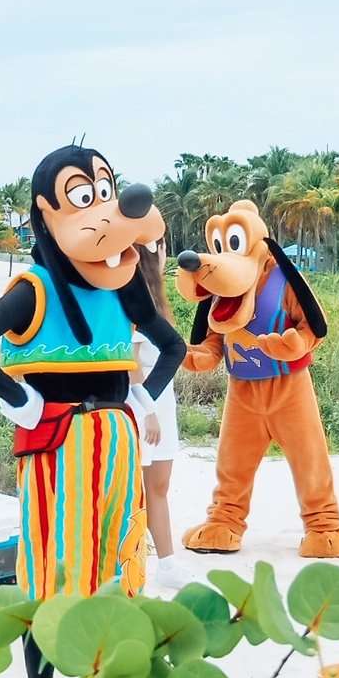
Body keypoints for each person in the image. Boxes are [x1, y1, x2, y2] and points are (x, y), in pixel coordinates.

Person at [0, 144, 183, 678]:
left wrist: (143, 398)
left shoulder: (122, 286)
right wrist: (18, 398)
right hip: (59, 443)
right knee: (53, 571)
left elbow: (172, 346)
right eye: (83, 195)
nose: (101, 206)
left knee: (120, 563)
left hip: (118, 440)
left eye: (104, 191)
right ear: (47, 212)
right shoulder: (36, 288)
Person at [131, 239, 192, 592]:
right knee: (136, 489)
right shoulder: (132, 301)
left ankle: (166, 562)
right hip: (143, 405)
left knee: (159, 485)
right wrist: (148, 410)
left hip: (161, 403)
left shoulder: (156, 300)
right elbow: (132, 366)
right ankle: (135, 558)